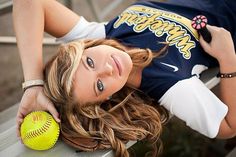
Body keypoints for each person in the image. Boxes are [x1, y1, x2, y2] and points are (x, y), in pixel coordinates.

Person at [13, 0, 236, 156]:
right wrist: (228, 58)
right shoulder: (168, 83)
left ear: (85, 47)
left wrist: (33, 84)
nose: (107, 68)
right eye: (99, 85)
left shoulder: (102, 36)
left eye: (89, 62)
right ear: (108, 98)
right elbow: (228, 127)